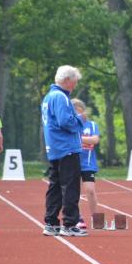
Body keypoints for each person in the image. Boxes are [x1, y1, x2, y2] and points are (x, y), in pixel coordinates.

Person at [41, 66, 86, 237]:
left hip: (54, 146)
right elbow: (65, 122)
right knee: (70, 187)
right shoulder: (60, 97)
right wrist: (80, 120)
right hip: (66, 147)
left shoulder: (49, 97)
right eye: (75, 81)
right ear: (67, 80)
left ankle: (51, 223)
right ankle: (70, 224)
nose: (75, 85)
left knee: (55, 186)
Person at [70, 99, 100, 230]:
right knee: (73, 192)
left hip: (88, 163)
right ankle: (78, 218)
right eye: (74, 111)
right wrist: (85, 140)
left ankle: (96, 218)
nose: (77, 114)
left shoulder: (92, 125)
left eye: (79, 111)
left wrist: (79, 139)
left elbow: (95, 140)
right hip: (72, 162)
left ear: (83, 111)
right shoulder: (70, 126)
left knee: (90, 190)